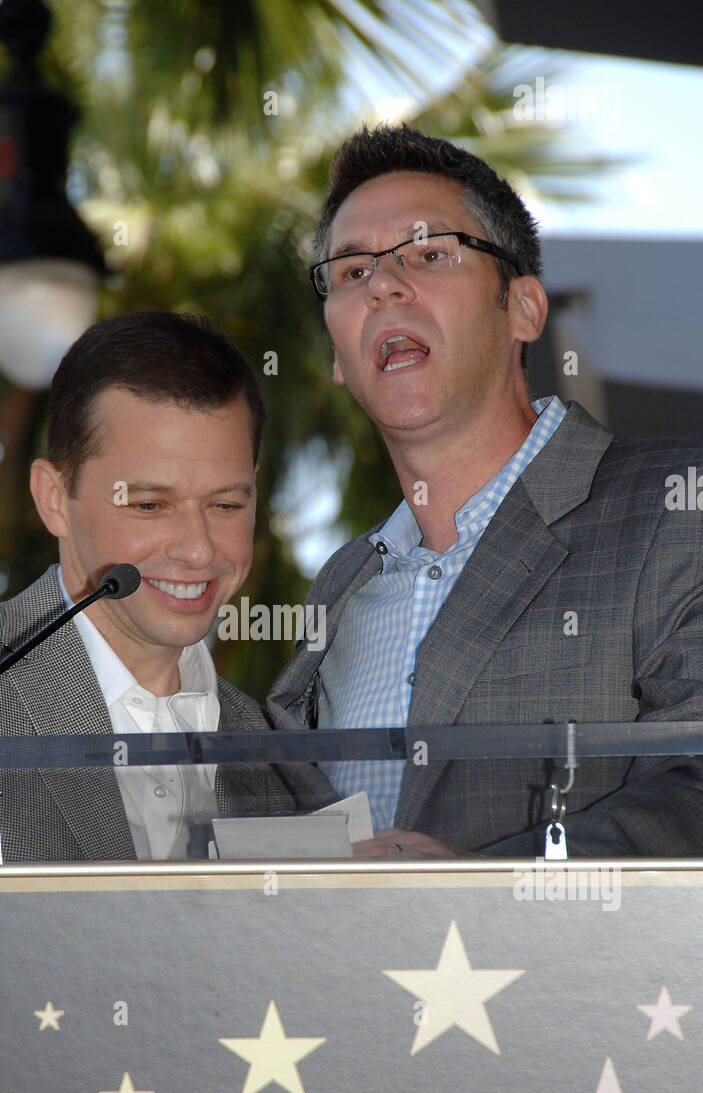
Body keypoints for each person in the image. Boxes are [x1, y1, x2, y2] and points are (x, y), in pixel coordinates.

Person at [267, 124, 703, 858]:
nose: (381, 285)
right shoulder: (341, 585)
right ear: (338, 356)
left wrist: (484, 895)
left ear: (523, 309)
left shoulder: (673, 505)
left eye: (429, 254)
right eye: (349, 272)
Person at [0, 311, 333, 863]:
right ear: (54, 499)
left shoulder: (273, 756)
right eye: (150, 505)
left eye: (226, 504)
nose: (199, 549)